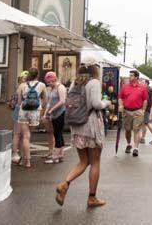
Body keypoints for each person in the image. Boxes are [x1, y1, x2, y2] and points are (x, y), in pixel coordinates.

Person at [55, 64, 109, 208]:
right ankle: (92, 198)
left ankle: (64, 184)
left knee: (83, 161)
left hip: (77, 125)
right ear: (95, 70)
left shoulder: (75, 82)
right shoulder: (94, 83)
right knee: (95, 162)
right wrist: (107, 103)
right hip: (90, 125)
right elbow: (97, 104)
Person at [16, 67, 47, 168]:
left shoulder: (22, 85)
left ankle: (25, 160)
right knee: (28, 136)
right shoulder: (42, 85)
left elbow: (19, 101)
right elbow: (45, 100)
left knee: (24, 136)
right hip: (35, 112)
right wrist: (41, 110)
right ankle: (26, 161)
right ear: (37, 75)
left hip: (23, 111)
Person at [119, 70, 148, 157]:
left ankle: (136, 148)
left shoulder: (142, 88)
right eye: (129, 75)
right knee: (127, 130)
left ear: (136, 77)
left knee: (136, 130)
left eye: (131, 75)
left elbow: (145, 100)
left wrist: (143, 111)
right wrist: (121, 105)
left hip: (138, 111)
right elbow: (120, 97)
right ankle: (129, 144)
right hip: (127, 111)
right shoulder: (125, 87)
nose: (129, 77)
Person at [43, 71, 67, 163]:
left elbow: (62, 101)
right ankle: (60, 155)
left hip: (60, 113)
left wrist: (52, 110)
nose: (49, 84)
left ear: (54, 79)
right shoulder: (51, 88)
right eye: (47, 82)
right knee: (58, 134)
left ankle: (55, 157)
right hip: (53, 114)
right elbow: (49, 103)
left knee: (58, 134)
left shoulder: (60, 87)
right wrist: (45, 113)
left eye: (50, 82)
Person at [10, 71, 28, 164]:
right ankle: (15, 154)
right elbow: (20, 102)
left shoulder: (20, 86)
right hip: (19, 111)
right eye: (24, 78)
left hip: (19, 111)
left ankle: (19, 154)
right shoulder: (23, 86)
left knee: (20, 134)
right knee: (18, 134)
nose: (25, 79)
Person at [141, 79, 152, 145]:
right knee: (144, 123)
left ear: (146, 83)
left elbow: (146, 101)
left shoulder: (146, 90)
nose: (141, 83)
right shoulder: (149, 90)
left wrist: (143, 108)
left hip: (146, 109)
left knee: (147, 123)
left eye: (142, 82)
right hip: (148, 109)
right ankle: (142, 138)